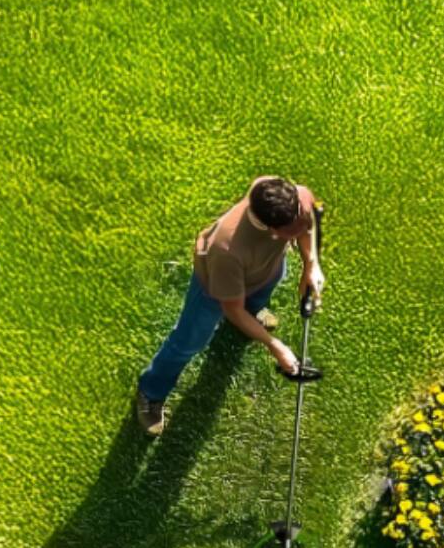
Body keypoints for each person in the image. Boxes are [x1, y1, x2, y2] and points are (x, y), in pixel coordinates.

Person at [135, 176, 325, 437]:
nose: (298, 232)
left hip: (264, 270)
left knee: (263, 290)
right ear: (269, 229)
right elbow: (232, 309)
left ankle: (254, 312)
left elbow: (308, 224)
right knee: (189, 341)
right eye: (289, 233)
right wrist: (275, 345)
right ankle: (151, 392)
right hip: (216, 286)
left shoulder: (291, 200)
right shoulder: (227, 251)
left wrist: (311, 265)